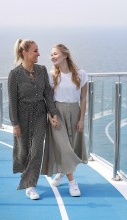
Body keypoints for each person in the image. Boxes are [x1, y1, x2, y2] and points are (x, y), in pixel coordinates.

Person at [8, 39, 59, 200]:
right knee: (24, 151)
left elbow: (47, 95)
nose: (39, 54)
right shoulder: (14, 75)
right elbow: (12, 101)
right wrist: (15, 123)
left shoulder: (42, 70)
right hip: (22, 115)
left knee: (37, 150)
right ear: (25, 52)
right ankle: (26, 175)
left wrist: (53, 114)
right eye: (35, 51)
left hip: (39, 114)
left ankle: (30, 185)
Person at [41, 44, 88, 197]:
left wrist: (82, 119)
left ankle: (62, 172)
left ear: (65, 55)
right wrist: (50, 116)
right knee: (64, 147)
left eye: (55, 54)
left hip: (75, 111)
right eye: (51, 54)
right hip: (57, 112)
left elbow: (83, 98)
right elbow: (48, 98)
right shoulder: (51, 75)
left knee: (71, 146)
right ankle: (73, 183)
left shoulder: (81, 74)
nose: (52, 57)